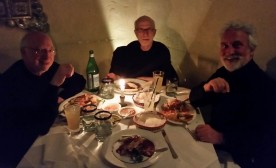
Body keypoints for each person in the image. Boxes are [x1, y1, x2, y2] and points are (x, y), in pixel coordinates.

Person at [189, 22, 276, 167]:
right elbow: (194, 99)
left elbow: (266, 142)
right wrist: (206, 88)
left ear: (251, 50)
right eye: (225, 46)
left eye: (237, 45)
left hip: (238, 157)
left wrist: (221, 137)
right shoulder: (224, 72)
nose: (229, 51)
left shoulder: (264, 88)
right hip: (210, 143)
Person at [0, 32, 86, 167]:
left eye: (50, 50)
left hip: (50, 133)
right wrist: (55, 84)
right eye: (38, 51)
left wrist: (60, 97)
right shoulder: (12, 81)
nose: (47, 56)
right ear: (24, 52)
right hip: (20, 149)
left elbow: (79, 81)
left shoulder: (50, 67)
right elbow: (41, 124)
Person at [107, 15, 178, 83]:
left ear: (154, 32)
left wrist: (142, 79)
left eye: (149, 29)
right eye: (141, 30)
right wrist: (115, 77)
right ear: (136, 33)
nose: (145, 34)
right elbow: (117, 78)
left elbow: (170, 79)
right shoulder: (124, 53)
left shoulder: (161, 51)